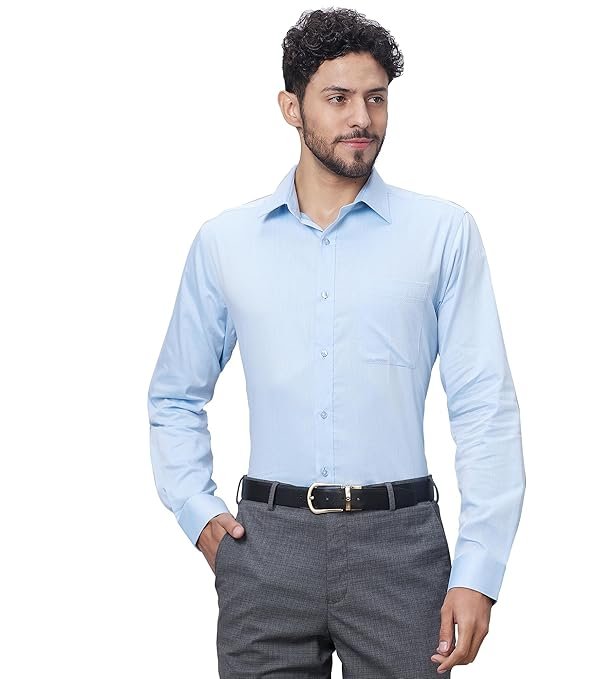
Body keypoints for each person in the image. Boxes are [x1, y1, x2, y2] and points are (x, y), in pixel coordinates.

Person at [147, 7, 526, 678]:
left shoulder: (442, 233)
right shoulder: (225, 242)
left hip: (401, 547)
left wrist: (479, 568)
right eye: (339, 97)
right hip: (264, 546)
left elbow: (483, 407)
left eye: (376, 98)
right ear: (291, 107)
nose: (362, 118)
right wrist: (196, 511)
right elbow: (176, 395)